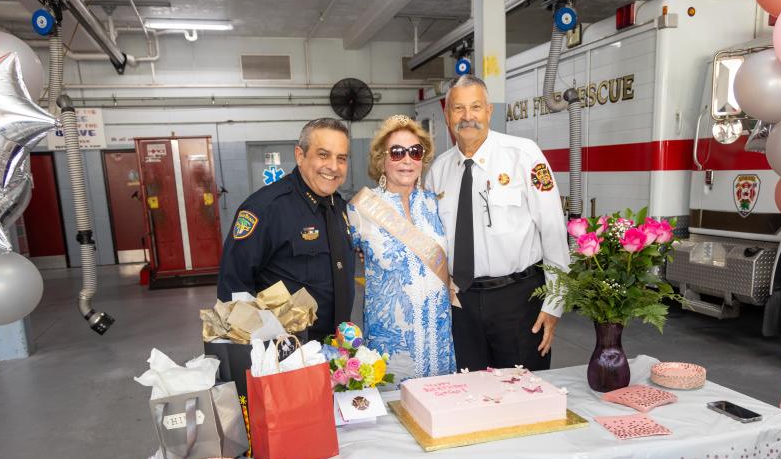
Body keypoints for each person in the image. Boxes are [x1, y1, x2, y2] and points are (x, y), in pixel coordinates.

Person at [426, 75, 571, 372]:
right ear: (447, 115)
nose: (468, 117)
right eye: (458, 109)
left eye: (476, 107)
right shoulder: (438, 171)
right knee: (468, 396)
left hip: (518, 302)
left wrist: (554, 303)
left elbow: (554, 231)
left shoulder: (524, 155)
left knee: (526, 394)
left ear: (489, 111)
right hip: (460, 306)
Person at [217, 117, 355, 340]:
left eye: (341, 158)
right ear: (300, 156)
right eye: (323, 155)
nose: (333, 166)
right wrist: (265, 355)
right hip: (288, 354)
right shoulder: (265, 209)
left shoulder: (339, 207)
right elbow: (233, 291)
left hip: (337, 346)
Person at [346, 115, 456, 378]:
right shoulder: (360, 209)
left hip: (438, 341)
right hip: (390, 348)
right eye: (397, 153)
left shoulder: (436, 204)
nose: (407, 160)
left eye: (415, 152)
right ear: (382, 160)